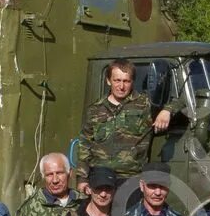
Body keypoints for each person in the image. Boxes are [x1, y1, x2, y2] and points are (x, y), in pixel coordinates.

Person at [75, 59, 180, 194]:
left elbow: (180, 101)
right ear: (108, 81)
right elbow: (85, 145)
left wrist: (167, 111)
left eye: (126, 81)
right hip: (100, 179)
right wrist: (82, 178)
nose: (121, 86)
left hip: (131, 179)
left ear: (132, 82)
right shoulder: (95, 109)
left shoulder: (145, 104)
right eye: (117, 80)